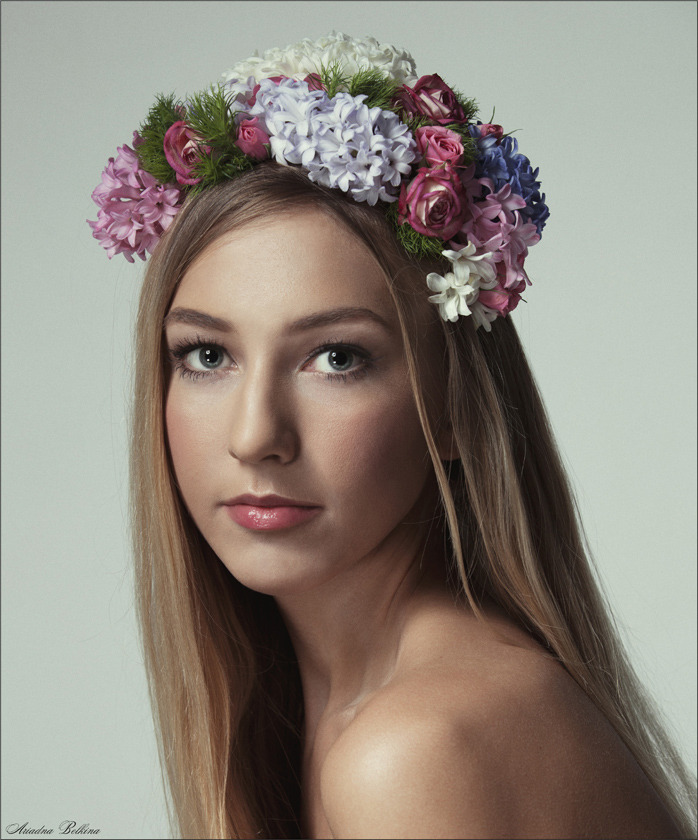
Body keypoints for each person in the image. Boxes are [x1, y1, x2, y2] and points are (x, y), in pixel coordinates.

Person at [89, 33, 696, 840]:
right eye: (207, 355)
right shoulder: (327, 722)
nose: (255, 435)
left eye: (336, 357)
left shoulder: (415, 749)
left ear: (450, 406)